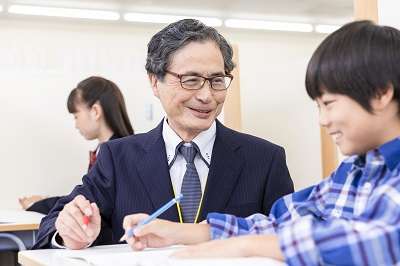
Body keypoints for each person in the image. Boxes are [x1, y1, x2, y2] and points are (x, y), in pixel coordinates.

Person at [122, 20, 400, 265]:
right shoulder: (354, 171)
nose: (323, 121)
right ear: (155, 83)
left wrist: (243, 247)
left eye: (329, 104)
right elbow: (282, 219)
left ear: (381, 94)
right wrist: (183, 233)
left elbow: (380, 241)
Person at [32, 19, 294, 250]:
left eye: (216, 80)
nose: (206, 96)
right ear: (155, 82)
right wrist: (71, 233)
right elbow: (52, 225)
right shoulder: (118, 157)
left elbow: (291, 239)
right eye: (190, 80)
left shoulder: (265, 159)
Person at [19, 76, 134, 215]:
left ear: (95, 111)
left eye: (76, 116)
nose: (76, 124)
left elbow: (89, 204)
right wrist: (44, 201)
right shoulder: (106, 151)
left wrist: (38, 205)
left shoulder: (117, 155)